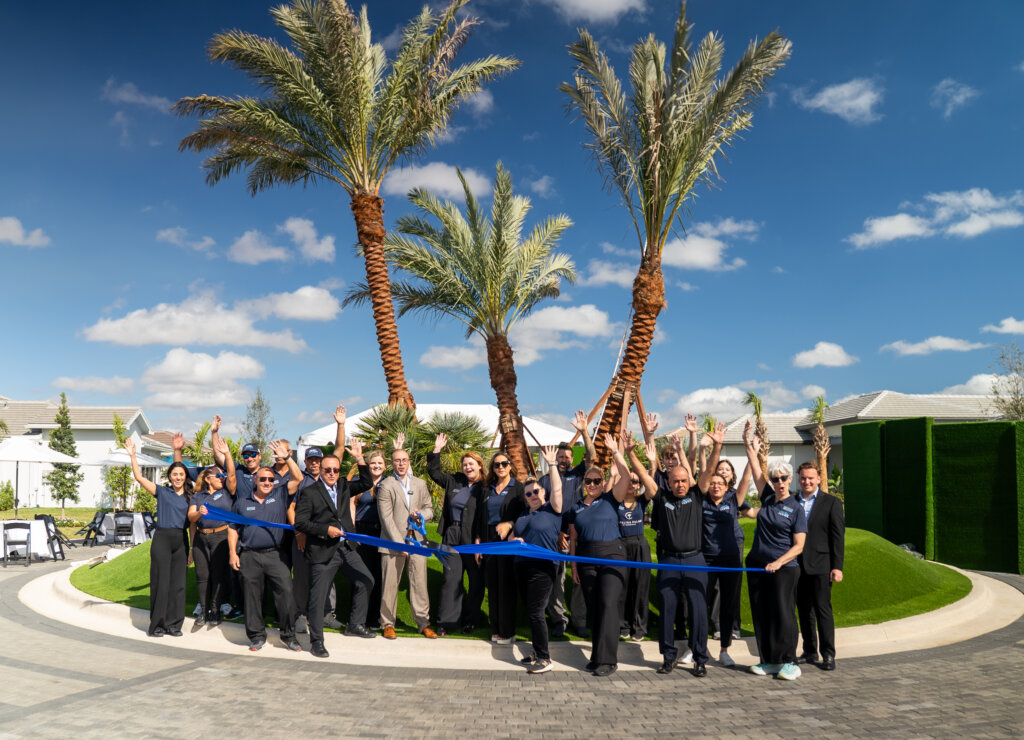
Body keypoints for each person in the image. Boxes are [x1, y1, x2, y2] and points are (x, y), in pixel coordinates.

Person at [632, 426, 716, 677]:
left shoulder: (697, 495)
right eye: (675, 481)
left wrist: (718, 447)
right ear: (669, 482)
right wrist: (629, 454)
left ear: (688, 481)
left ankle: (700, 658)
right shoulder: (662, 497)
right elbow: (644, 477)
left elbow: (709, 471)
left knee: (698, 612)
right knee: (668, 610)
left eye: (683, 480)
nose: (680, 484)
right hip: (669, 560)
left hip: (695, 560)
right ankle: (668, 657)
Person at [294, 442, 377, 658]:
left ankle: (355, 624)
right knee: (318, 599)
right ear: (320, 470)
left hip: (345, 549)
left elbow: (367, 481)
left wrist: (360, 459)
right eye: (327, 470)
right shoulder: (309, 492)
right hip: (322, 551)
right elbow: (300, 523)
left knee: (366, 580)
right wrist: (325, 530)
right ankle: (317, 642)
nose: (332, 473)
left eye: (335, 470)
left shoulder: (343, 485)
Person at [742, 421, 807, 680]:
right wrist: (748, 441)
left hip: (784, 569)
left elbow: (799, 545)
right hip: (758, 565)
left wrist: (779, 562)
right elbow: (756, 467)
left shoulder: (796, 508)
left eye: (783, 479)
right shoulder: (767, 497)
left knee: (783, 614)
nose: (779, 482)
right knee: (762, 613)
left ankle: (790, 661)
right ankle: (768, 660)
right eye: (775, 478)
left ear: (790, 480)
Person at [227, 440, 303, 652]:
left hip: (275, 555)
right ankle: (257, 636)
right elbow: (232, 528)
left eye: (270, 479)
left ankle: (288, 635)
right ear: (255, 481)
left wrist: (287, 457)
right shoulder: (242, 503)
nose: (268, 482)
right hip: (249, 555)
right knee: (252, 598)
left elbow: (298, 478)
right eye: (263, 479)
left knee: (287, 593)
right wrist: (233, 552)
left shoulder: (279, 494)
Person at [569, 434, 629, 677]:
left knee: (607, 605)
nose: (592, 485)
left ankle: (608, 660)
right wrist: (574, 567)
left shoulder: (610, 499)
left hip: (612, 556)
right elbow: (573, 539)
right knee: (595, 608)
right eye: (588, 481)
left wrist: (616, 451)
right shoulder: (576, 508)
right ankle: (596, 656)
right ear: (583, 483)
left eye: (596, 481)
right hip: (586, 559)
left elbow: (625, 476)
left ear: (603, 482)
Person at [290, 404, 348, 635]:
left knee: (328, 578)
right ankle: (300, 616)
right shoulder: (301, 480)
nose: (314, 463)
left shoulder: (331, 478)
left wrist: (340, 425)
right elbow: (291, 509)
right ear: (306, 462)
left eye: (318, 460)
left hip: (327, 539)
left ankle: (326, 614)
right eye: (311, 460)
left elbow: (341, 448)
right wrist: (299, 534)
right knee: (303, 578)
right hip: (305, 537)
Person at [125, 439, 192, 638]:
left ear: (185, 476)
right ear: (169, 477)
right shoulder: (162, 492)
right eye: (174, 474)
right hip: (162, 539)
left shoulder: (191, 497)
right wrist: (133, 456)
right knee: (161, 583)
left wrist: (192, 550)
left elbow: (194, 525)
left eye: (181, 474)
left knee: (178, 585)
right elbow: (139, 477)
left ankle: (174, 625)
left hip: (181, 540)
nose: (178, 477)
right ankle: (157, 626)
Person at [696, 435, 751, 667]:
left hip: (730, 560)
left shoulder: (733, 500)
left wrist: (752, 452)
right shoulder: (701, 500)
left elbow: (747, 479)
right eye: (713, 483)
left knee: (728, 605)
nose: (716, 485)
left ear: (728, 486)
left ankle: (724, 649)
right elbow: (703, 471)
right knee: (700, 604)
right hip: (706, 560)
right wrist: (704, 450)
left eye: (721, 482)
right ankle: (695, 647)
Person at [539, 410, 595, 638]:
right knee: (558, 581)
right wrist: (557, 533)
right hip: (556, 538)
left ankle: (579, 621)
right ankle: (559, 620)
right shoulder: (544, 480)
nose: (563, 460)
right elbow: (542, 511)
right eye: (559, 457)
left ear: (572, 459)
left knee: (579, 579)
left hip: (579, 535)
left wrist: (583, 431)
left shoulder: (579, 475)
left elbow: (592, 457)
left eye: (566, 457)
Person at [426, 433, 486, 636]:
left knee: (476, 581)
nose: (467, 467)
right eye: (465, 464)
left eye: (471, 464)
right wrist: (436, 451)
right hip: (451, 534)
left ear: (479, 465)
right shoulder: (454, 481)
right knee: (450, 579)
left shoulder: (485, 486)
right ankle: (446, 622)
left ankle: (471, 621)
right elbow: (434, 473)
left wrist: (480, 541)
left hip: (474, 538)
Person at [511, 450, 562, 674]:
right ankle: (536, 650)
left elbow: (558, 490)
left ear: (543, 492)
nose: (532, 495)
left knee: (536, 612)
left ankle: (544, 658)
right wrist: (516, 540)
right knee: (531, 610)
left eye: (536, 491)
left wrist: (552, 465)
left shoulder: (552, 510)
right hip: (522, 566)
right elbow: (513, 537)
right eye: (528, 493)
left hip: (543, 568)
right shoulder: (522, 516)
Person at [377, 446, 436, 639]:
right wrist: (400, 544)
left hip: (418, 542)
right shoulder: (386, 485)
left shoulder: (419, 483)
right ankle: (387, 623)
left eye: (404, 460)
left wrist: (421, 514)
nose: (401, 464)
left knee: (420, 584)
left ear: (409, 461)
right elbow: (386, 519)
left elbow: (430, 509)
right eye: (397, 460)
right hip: (393, 544)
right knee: (390, 585)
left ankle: (423, 623)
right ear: (391, 463)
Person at [795, 461, 845, 671]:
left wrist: (837, 566)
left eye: (810, 478)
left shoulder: (831, 503)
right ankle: (809, 650)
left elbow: (837, 536)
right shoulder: (792, 501)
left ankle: (828, 654)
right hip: (797, 565)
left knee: (823, 609)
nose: (807, 481)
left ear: (818, 479)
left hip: (822, 565)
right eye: (803, 478)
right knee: (804, 611)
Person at [475, 450, 526, 645]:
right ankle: (495, 629)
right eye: (497, 465)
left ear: (510, 465)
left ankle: (507, 631)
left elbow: (525, 514)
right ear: (492, 468)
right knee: (493, 586)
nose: (501, 467)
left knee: (506, 587)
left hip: (507, 541)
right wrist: (478, 541)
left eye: (504, 463)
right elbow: (481, 517)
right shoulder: (487, 489)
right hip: (488, 541)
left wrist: (511, 524)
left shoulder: (518, 488)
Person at [187, 437, 237, 628]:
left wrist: (227, 455)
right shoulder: (198, 496)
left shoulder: (226, 492)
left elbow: (231, 476)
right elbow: (191, 517)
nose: (221, 478)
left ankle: (215, 610)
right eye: (218, 476)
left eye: (222, 477)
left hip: (221, 536)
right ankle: (204, 610)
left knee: (218, 575)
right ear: (208, 479)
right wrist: (198, 513)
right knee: (202, 575)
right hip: (201, 537)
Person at [616, 446, 651, 642]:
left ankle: (639, 627)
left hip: (639, 546)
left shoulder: (642, 501)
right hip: (621, 546)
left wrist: (649, 463)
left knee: (640, 588)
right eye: (629, 480)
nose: (632, 484)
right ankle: (623, 625)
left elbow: (650, 481)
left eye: (635, 481)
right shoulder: (616, 502)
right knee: (622, 588)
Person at [353, 447, 389, 629]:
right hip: (361, 533)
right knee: (363, 576)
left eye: (379, 463)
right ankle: (359, 618)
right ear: (367, 465)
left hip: (381, 534)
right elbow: (351, 506)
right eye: (373, 463)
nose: (376, 466)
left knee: (378, 576)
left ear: (385, 466)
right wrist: (352, 532)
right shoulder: (359, 483)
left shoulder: (389, 483)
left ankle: (373, 618)